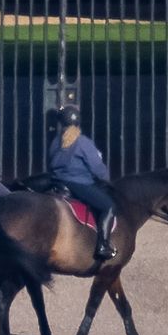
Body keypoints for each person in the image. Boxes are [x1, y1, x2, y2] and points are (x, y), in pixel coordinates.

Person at [47, 104, 116, 260]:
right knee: (108, 206)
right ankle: (103, 245)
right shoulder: (83, 142)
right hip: (79, 184)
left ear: (61, 123)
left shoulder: (56, 141)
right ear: (78, 122)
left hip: (58, 182)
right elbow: (97, 167)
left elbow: (51, 163)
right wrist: (107, 179)